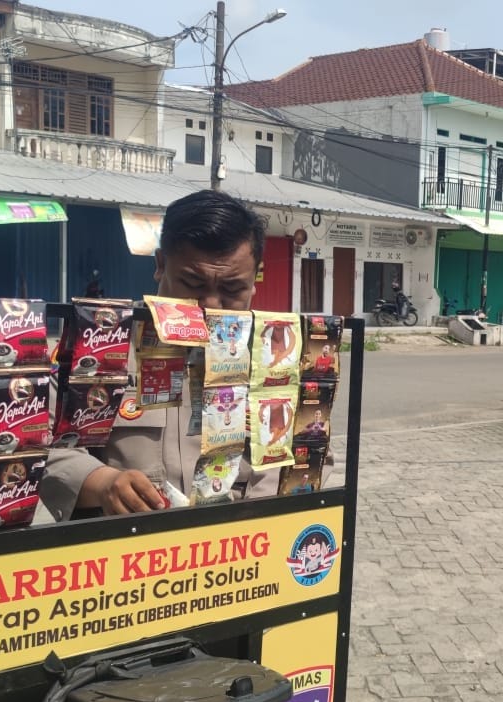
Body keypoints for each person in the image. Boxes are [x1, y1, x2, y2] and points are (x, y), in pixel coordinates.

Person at [41, 190, 322, 518]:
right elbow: (35, 445)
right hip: (128, 543)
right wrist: (101, 483)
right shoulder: (100, 344)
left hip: (244, 544)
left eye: (232, 289)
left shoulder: (276, 356)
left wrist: (256, 516)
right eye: (193, 284)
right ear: (161, 265)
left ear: (255, 277)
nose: (210, 305)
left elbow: (307, 449)